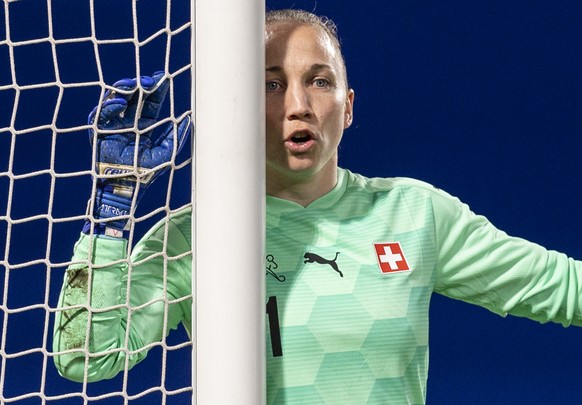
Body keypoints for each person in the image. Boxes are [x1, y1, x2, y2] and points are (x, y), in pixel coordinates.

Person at [53, 8, 582, 404]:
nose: (298, 106)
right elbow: (85, 356)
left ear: (347, 107)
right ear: (233, 103)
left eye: (320, 81)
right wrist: (113, 202)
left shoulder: (415, 214)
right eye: (271, 84)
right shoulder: (198, 236)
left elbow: (565, 290)